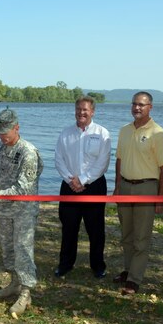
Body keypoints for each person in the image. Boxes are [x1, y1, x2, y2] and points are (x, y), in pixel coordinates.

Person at [0, 109, 43, 314]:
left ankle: (26, 292)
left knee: (23, 249)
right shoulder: (1, 148)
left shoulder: (28, 152)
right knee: (8, 249)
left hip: (23, 211)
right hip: (4, 210)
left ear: (17, 128)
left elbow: (23, 188)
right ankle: (15, 282)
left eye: (5, 132)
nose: (1, 137)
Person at [113, 92, 163, 295]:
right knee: (126, 234)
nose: (137, 108)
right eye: (134, 104)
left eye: (142, 105)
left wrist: (161, 198)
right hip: (126, 187)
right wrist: (117, 186)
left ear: (150, 107)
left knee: (141, 237)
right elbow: (119, 160)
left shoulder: (158, 133)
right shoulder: (124, 131)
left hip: (147, 188)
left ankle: (134, 280)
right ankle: (128, 270)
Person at [54, 96, 111, 278]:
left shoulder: (102, 133)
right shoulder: (65, 133)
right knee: (69, 228)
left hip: (94, 186)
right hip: (69, 185)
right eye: (78, 109)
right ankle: (65, 264)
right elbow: (58, 159)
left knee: (95, 229)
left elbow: (103, 162)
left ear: (92, 111)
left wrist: (84, 179)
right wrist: (71, 180)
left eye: (85, 110)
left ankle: (97, 265)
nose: (81, 113)